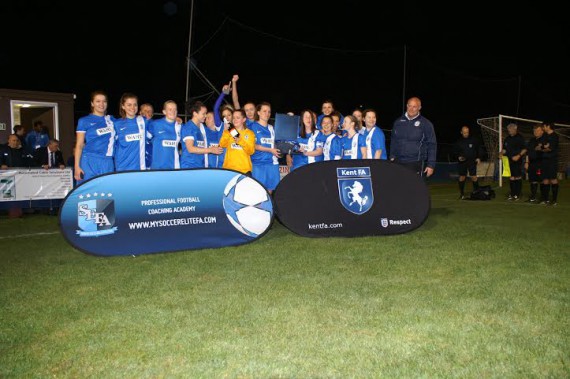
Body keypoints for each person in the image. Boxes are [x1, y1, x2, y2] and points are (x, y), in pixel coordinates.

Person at [389, 96, 437, 177]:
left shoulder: (426, 124)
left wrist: (431, 164)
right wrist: (392, 156)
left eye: (414, 106)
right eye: (409, 106)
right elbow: (394, 141)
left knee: (414, 189)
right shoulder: (398, 122)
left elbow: (432, 144)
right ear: (407, 106)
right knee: (397, 188)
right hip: (398, 162)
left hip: (415, 163)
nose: (411, 109)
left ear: (419, 107)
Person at [74, 90, 115, 183]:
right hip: (89, 160)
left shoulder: (112, 120)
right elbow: (79, 145)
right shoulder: (84, 121)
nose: (101, 104)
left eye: (104, 101)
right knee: (88, 194)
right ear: (92, 103)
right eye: (98, 101)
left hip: (107, 162)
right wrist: (77, 167)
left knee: (106, 194)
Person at [180, 101, 223, 169]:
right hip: (189, 166)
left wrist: (225, 127)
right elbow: (191, 149)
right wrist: (211, 150)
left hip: (200, 166)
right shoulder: (189, 127)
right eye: (203, 114)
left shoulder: (202, 128)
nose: (205, 116)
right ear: (195, 113)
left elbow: (216, 131)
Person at [250, 102, 281, 194]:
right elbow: (253, 145)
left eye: (269, 112)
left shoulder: (272, 128)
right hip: (258, 164)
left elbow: (275, 144)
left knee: (269, 193)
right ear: (258, 112)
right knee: (258, 193)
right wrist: (270, 150)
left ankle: (267, 209)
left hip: (272, 164)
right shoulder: (252, 127)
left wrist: (278, 151)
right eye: (264, 111)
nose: (267, 114)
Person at [114, 93, 150, 171]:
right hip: (122, 168)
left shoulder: (144, 121)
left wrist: (175, 120)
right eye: (129, 105)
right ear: (123, 106)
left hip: (140, 168)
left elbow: (160, 125)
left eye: (135, 105)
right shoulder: (116, 124)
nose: (132, 108)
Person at [218, 109, 255, 174]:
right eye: (234, 118)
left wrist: (240, 141)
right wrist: (226, 131)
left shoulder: (249, 133)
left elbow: (251, 151)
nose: (235, 120)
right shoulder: (230, 131)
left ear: (244, 119)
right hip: (229, 169)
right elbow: (222, 144)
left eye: (238, 118)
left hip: (244, 170)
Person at [147, 100, 181, 170]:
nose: (173, 112)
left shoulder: (180, 126)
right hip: (157, 168)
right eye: (170, 109)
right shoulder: (155, 124)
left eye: (175, 109)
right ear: (164, 112)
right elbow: (145, 141)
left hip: (174, 168)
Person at [452, 125, 482, 199]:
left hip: (472, 161)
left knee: (474, 176)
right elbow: (454, 152)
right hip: (462, 162)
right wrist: (458, 157)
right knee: (462, 177)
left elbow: (478, 149)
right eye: (464, 132)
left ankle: (476, 192)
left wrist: (478, 157)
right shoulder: (458, 142)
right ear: (461, 132)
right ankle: (462, 194)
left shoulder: (473, 140)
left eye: (467, 132)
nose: (466, 134)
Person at [500, 123, 527, 201]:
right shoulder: (507, 138)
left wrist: (518, 156)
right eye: (508, 129)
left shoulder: (520, 138)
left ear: (515, 129)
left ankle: (517, 194)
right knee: (511, 177)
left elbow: (524, 149)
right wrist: (501, 153)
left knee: (517, 177)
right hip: (508, 161)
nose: (509, 131)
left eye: (511, 129)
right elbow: (504, 149)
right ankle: (512, 193)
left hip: (517, 161)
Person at [540, 121, 560, 205]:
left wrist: (544, 148)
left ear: (548, 126)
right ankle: (545, 199)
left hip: (552, 160)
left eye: (544, 126)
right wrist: (544, 147)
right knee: (545, 179)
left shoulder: (555, 136)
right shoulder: (544, 135)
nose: (543, 128)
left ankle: (554, 200)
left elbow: (549, 149)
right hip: (544, 160)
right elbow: (541, 145)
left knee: (553, 179)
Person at [524, 124, 545, 203]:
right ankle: (533, 197)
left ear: (542, 131)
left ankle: (543, 198)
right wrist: (526, 162)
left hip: (540, 164)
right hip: (532, 164)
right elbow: (528, 152)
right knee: (533, 180)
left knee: (541, 180)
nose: (536, 132)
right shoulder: (531, 140)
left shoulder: (544, 140)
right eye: (534, 130)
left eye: (538, 130)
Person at [139, 103, 155, 168]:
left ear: (152, 114)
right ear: (140, 112)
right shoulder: (134, 124)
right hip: (137, 162)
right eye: (145, 110)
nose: (147, 112)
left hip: (152, 162)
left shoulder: (157, 125)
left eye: (149, 111)